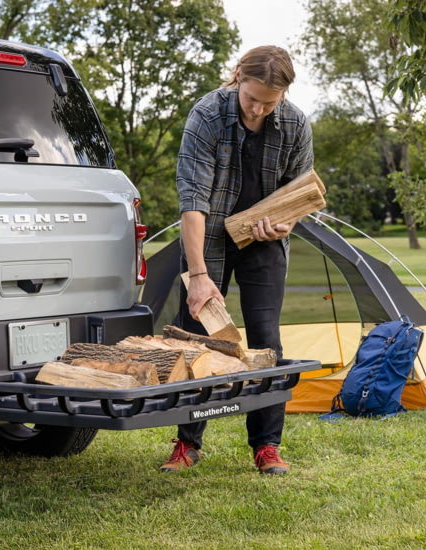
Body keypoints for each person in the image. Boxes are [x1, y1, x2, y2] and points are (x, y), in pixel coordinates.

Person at [159, 45, 314, 475]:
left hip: (262, 242)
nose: (259, 109)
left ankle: (266, 446)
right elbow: (192, 201)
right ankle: (187, 444)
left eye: (270, 102)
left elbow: (299, 193)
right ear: (237, 79)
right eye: (252, 98)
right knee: (195, 337)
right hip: (205, 235)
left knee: (267, 341)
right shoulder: (206, 115)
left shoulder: (296, 123)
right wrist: (199, 276)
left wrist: (284, 224)